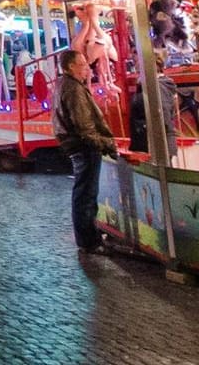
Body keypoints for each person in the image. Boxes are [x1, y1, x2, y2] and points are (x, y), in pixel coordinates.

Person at [55, 49, 119, 254]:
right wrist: (105, 143)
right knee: (86, 194)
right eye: (83, 64)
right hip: (83, 146)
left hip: (77, 144)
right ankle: (89, 240)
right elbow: (84, 125)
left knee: (84, 192)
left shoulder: (65, 85)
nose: (87, 69)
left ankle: (89, 237)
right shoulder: (73, 89)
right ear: (71, 66)